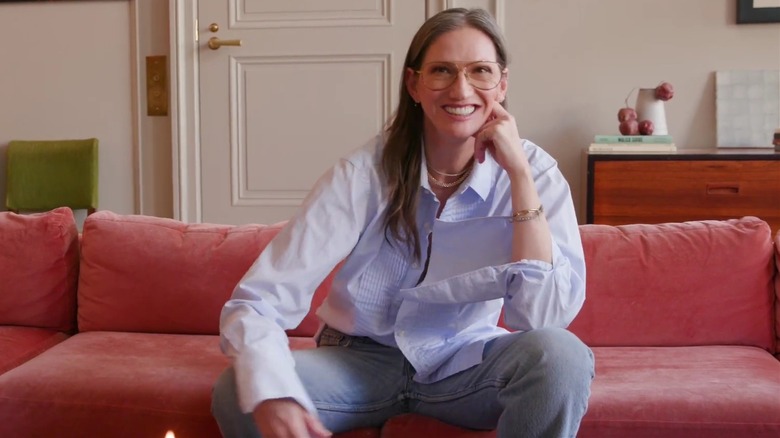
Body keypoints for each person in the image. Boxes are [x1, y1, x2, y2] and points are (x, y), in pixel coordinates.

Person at [212, 7, 594, 438]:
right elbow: (260, 300)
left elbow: (542, 318)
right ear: (414, 84)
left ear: (501, 84)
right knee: (239, 390)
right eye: (442, 71)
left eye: (480, 71)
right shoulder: (364, 172)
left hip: (463, 363)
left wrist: (520, 178)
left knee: (562, 356)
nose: (461, 88)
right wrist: (273, 391)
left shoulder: (536, 173)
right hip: (357, 363)